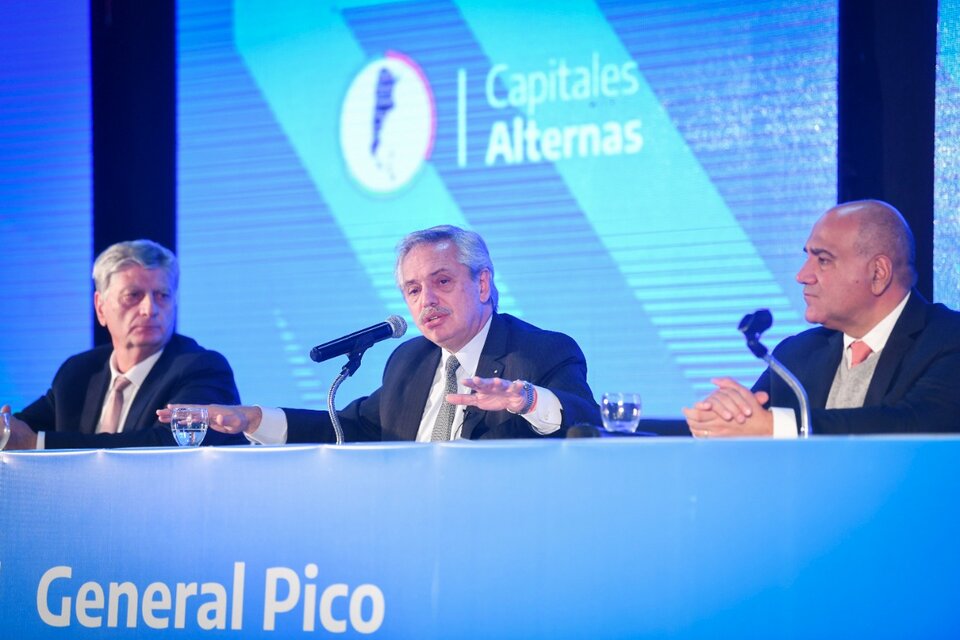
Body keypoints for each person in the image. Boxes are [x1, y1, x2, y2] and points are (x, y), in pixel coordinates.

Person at [164, 225, 599, 443]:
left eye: (442, 281)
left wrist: (525, 399)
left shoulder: (540, 352)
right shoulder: (409, 361)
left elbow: (587, 423)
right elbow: (354, 425)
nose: (426, 300)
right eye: (413, 289)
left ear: (482, 284)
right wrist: (256, 419)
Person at [683, 199, 960, 437]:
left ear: (878, 273)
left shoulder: (948, 338)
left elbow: (916, 424)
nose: (802, 276)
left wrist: (776, 428)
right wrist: (724, 418)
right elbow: (756, 424)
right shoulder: (797, 353)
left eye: (823, 260)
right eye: (808, 258)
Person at [1, 239, 245, 449]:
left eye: (162, 295)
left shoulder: (203, 369)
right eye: (133, 296)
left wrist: (37, 444)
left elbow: (168, 446)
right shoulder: (79, 371)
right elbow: (21, 428)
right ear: (100, 307)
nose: (150, 309)